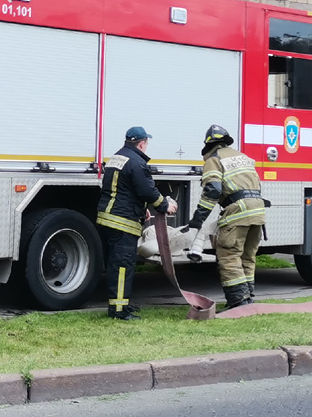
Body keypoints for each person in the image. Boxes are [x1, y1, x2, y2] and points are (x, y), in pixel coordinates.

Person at [96, 126, 176, 320]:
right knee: (122, 266)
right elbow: (148, 191)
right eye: (146, 143)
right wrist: (165, 206)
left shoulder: (117, 158)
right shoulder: (137, 163)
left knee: (116, 264)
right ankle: (119, 310)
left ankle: (121, 305)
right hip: (122, 222)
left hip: (109, 218)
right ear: (141, 143)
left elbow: (123, 189)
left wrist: (141, 208)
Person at [186, 124, 266, 310]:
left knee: (229, 256)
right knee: (247, 257)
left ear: (208, 145)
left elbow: (213, 190)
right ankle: (248, 299)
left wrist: (198, 219)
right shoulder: (243, 157)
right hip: (258, 211)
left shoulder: (214, 159)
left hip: (238, 211)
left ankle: (238, 301)